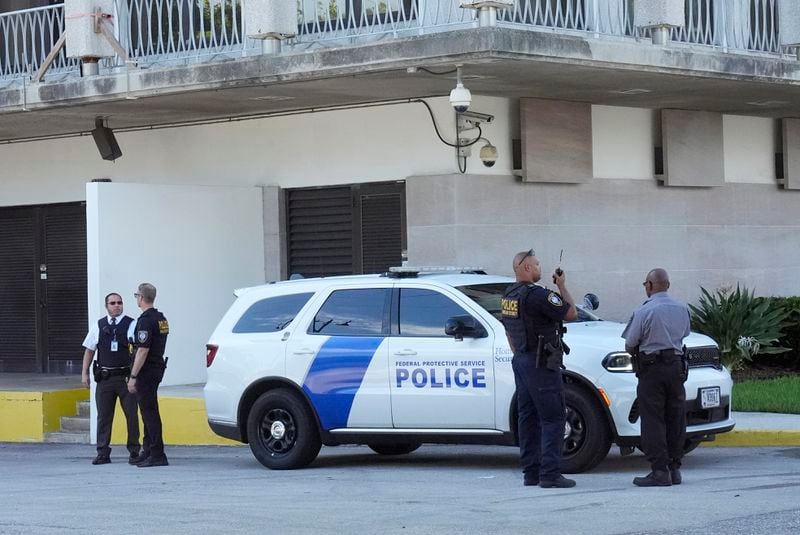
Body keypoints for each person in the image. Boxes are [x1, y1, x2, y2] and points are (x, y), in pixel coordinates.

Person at [501, 249, 578, 488]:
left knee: (528, 417)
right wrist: (562, 285)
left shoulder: (509, 295)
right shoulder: (538, 295)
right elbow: (571, 313)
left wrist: (521, 355)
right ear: (526, 268)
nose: (539, 268)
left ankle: (531, 473)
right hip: (541, 364)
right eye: (536, 264)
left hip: (521, 360)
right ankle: (550, 474)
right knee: (554, 417)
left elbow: (509, 331)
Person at [622, 268, 690, 487]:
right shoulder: (682, 308)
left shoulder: (644, 311)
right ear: (668, 285)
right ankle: (674, 469)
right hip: (676, 367)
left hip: (652, 369)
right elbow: (685, 334)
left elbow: (630, 343)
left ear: (649, 286)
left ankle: (659, 471)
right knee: (675, 418)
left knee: (653, 420)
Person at [81, 292, 141, 465]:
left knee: (131, 415)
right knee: (104, 416)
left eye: (119, 302)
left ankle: (134, 451)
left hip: (125, 378)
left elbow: (139, 350)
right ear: (106, 305)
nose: (116, 305)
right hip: (105, 378)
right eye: (113, 303)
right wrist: (84, 373)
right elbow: (89, 350)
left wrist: (135, 376)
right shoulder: (98, 325)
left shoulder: (132, 324)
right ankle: (102, 452)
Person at [127, 283, 170, 467]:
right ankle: (149, 450)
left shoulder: (145, 320)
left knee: (149, 412)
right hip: (157, 368)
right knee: (148, 410)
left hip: (146, 371)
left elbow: (142, 350)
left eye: (136, 295)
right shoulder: (161, 318)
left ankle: (157, 453)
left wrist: (133, 376)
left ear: (141, 298)